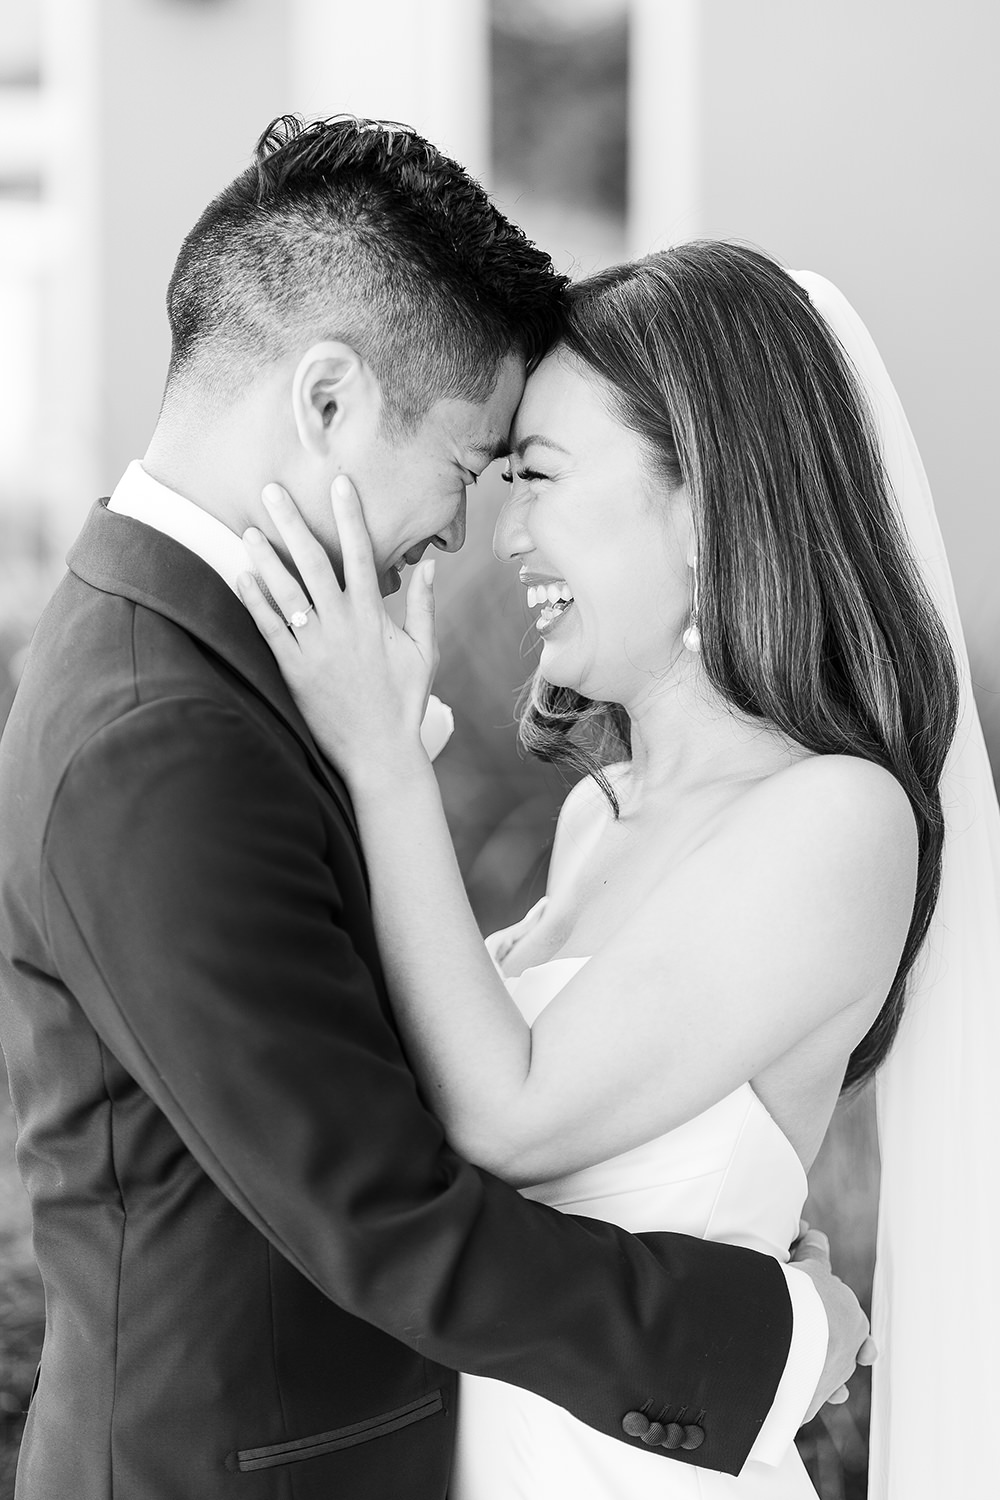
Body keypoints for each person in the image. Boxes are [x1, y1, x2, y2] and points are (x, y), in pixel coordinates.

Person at [0, 122, 864, 1500]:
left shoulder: (211, 668)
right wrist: (772, 1336)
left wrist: (378, 761)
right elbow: (384, 1207)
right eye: (477, 466)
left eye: (535, 479)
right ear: (330, 402)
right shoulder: (159, 728)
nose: (469, 539)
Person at [238, 242, 975, 1498]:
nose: (503, 531)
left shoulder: (836, 821)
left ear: (705, 499)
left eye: (540, 477)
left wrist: (385, 767)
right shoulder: (598, 819)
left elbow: (503, 1113)